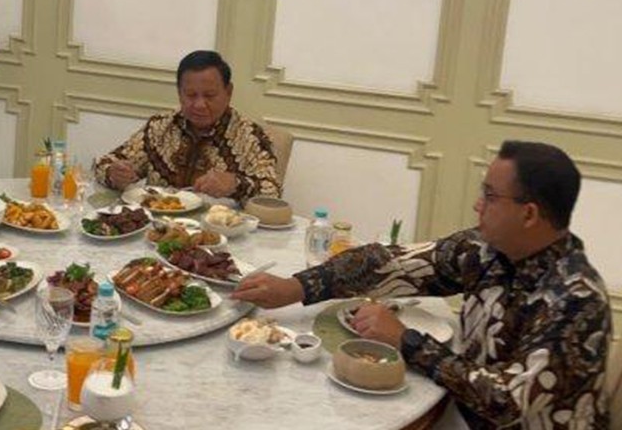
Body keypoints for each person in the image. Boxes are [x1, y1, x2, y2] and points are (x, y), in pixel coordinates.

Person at [232, 141, 610, 428]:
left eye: (490, 196)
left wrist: (406, 341)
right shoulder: (485, 250)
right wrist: (296, 287)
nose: (478, 205)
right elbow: (390, 263)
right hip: (457, 408)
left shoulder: (577, 300)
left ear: (529, 214)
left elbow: (504, 400)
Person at [94, 50, 281, 201]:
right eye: (191, 95)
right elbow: (105, 163)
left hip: (217, 232)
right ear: (179, 93)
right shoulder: (160, 127)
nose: (199, 105)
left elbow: (273, 193)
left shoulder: (250, 137)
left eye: (209, 96)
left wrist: (236, 184)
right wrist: (114, 173)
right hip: (159, 228)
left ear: (228, 92)